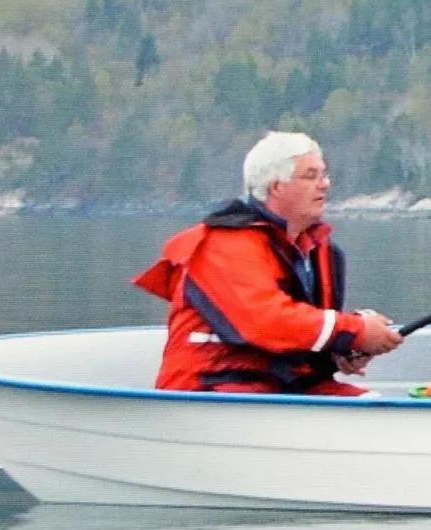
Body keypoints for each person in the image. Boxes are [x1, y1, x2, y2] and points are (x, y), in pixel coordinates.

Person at [134, 131, 402, 395]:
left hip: (279, 387)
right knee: (364, 420)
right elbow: (267, 322)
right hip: (210, 391)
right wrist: (355, 331)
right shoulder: (224, 245)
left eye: (324, 175)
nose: (324, 184)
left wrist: (337, 353)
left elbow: (298, 339)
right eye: (311, 176)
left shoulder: (319, 250)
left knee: (372, 406)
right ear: (276, 187)